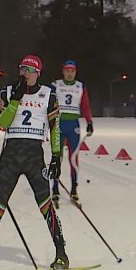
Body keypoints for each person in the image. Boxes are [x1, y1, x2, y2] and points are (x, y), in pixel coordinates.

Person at [0, 54, 68, 270]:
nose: (26, 74)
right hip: (11, 156)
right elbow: (4, 122)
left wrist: (56, 156)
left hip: (34, 156)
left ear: (38, 74)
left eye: (30, 70)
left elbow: (55, 128)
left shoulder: (48, 95)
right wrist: (15, 100)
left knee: (45, 204)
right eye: (23, 69)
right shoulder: (6, 93)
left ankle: (61, 251)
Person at [51, 59, 94, 206]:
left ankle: (74, 189)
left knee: (73, 158)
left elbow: (85, 105)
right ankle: (55, 188)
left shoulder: (80, 86)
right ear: (63, 71)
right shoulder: (56, 85)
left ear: (75, 72)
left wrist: (89, 122)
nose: (69, 74)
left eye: (72, 71)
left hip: (73, 125)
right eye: (67, 71)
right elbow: (48, 104)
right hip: (58, 125)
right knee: (57, 157)